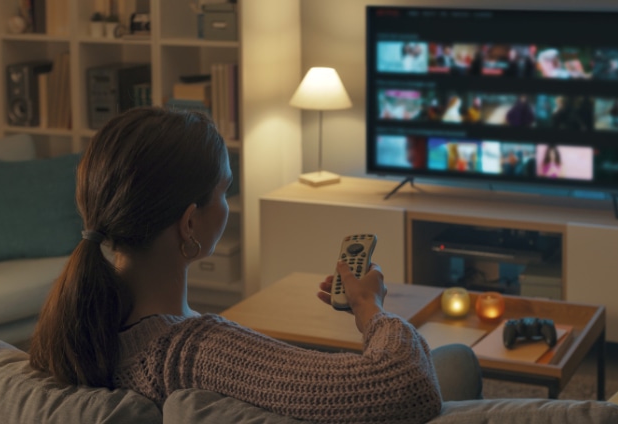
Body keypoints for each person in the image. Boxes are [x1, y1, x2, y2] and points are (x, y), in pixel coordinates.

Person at [28, 107, 477, 423]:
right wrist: (370, 309)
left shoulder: (74, 327)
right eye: (224, 190)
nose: (227, 203)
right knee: (454, 361)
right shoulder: (193, 352)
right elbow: (404, 386)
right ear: (190, 223)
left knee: (450, 361)